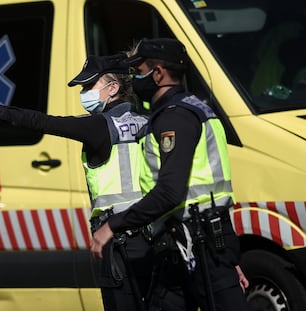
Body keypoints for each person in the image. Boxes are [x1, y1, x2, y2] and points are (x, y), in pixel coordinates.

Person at [0, 54, 155, 310]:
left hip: (117, 240)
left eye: (89, 86)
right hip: (151, 238)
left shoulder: (99, 126)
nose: (84, 93)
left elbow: (42, 122)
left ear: (113, 88)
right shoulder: (149, 121)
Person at [90, 38, 251, 311]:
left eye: (138, 70)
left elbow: (169, 191)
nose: (134, 77)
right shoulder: (194, 109)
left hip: (198, 244)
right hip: (189, 243)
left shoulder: (175, 117)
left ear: (158, 73)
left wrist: (113, 225)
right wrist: (229, 256)